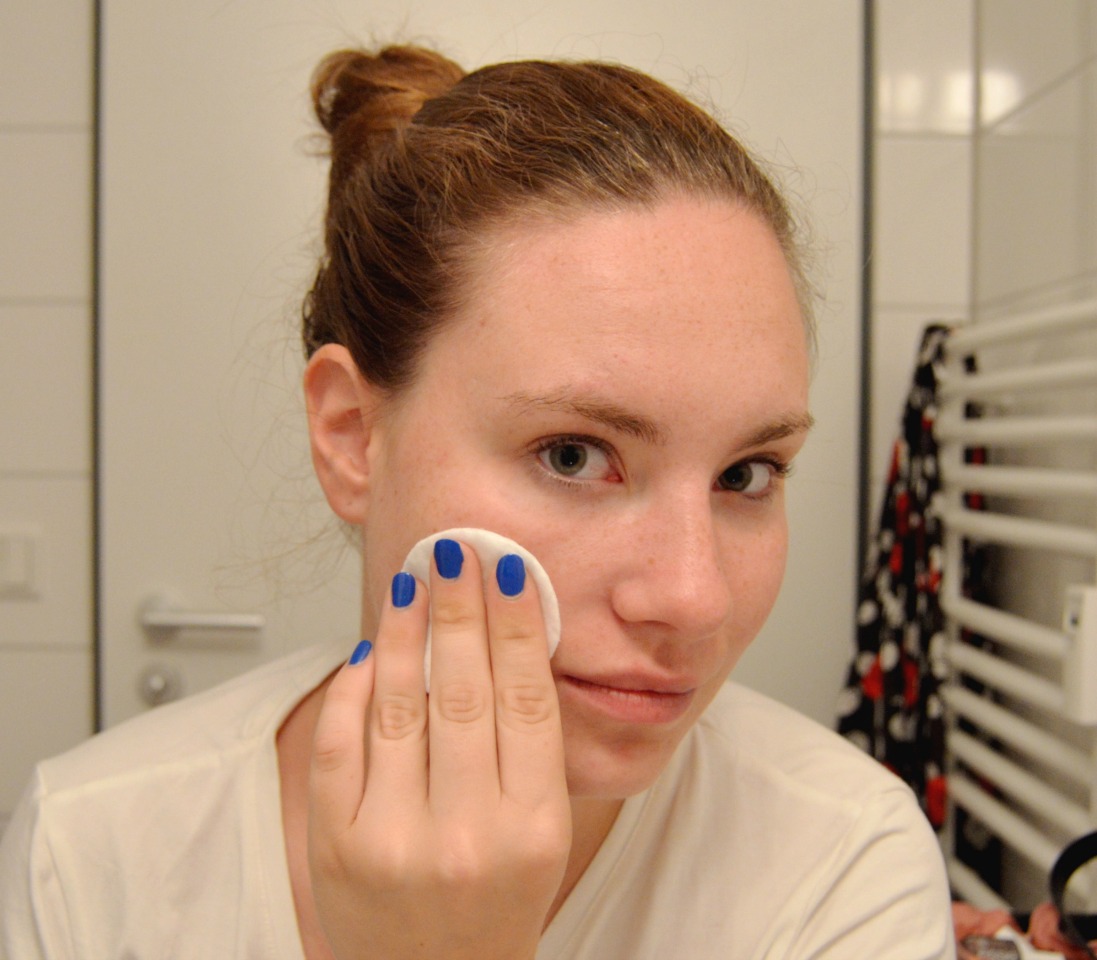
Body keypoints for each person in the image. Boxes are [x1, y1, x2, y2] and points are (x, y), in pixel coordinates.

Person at [0, 43, 955, 959]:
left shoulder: (841, 864)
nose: (693, 598)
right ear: (351, 436)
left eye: (746, 474)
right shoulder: (89, 854)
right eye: (575, 455)